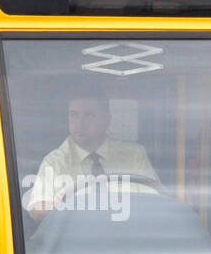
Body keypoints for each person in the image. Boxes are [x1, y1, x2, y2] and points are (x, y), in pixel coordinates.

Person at [24, 87, 159, 219]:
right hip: (77, 239)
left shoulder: (134, 155)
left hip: (129, 235)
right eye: (74, 115)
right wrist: (57, 205)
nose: (79, 123)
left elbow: (156, 201)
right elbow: (36, 209)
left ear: (106, 120)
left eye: (88, 115)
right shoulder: (55, 161)